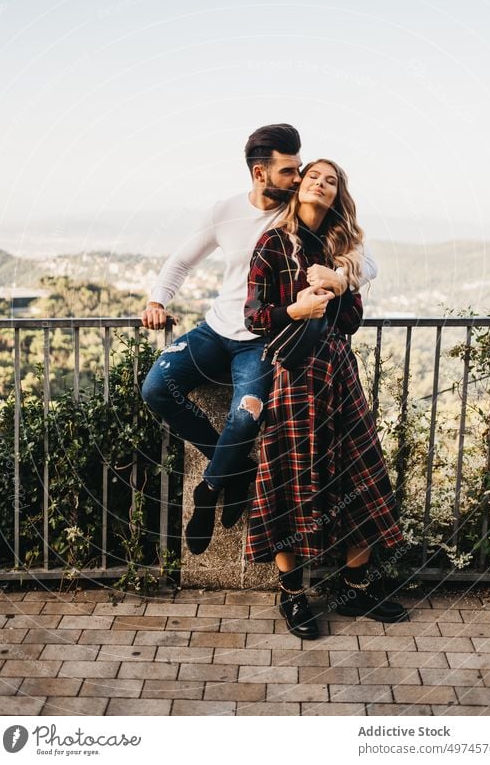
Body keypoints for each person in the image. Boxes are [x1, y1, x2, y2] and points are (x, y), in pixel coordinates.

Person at [141, 126, 377, 555]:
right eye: (290, 170)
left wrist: (341, 278)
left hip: (262, 340)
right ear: (259, 173)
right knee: (157, 389)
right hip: (215, 329)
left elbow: (367, 261)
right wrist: (158, 300)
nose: (300, 175)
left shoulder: (303, 210)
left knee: (246, 418)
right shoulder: (225, 211)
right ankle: (234, 470)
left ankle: (209, 489)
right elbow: (181, 261)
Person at [244, 158, 408, 637]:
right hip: (294, 375)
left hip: (338, 372)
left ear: (338, 195)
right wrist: (297, 306)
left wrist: (339, 285)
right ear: (298, 186)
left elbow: (352, 319)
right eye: (314, 176)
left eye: (331, 181)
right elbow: (255, 316)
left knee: (358, 474)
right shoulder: (272, 243)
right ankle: (292, 594)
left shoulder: (343, 248)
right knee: (287, 478)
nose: (321, 183)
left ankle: (356, 589)